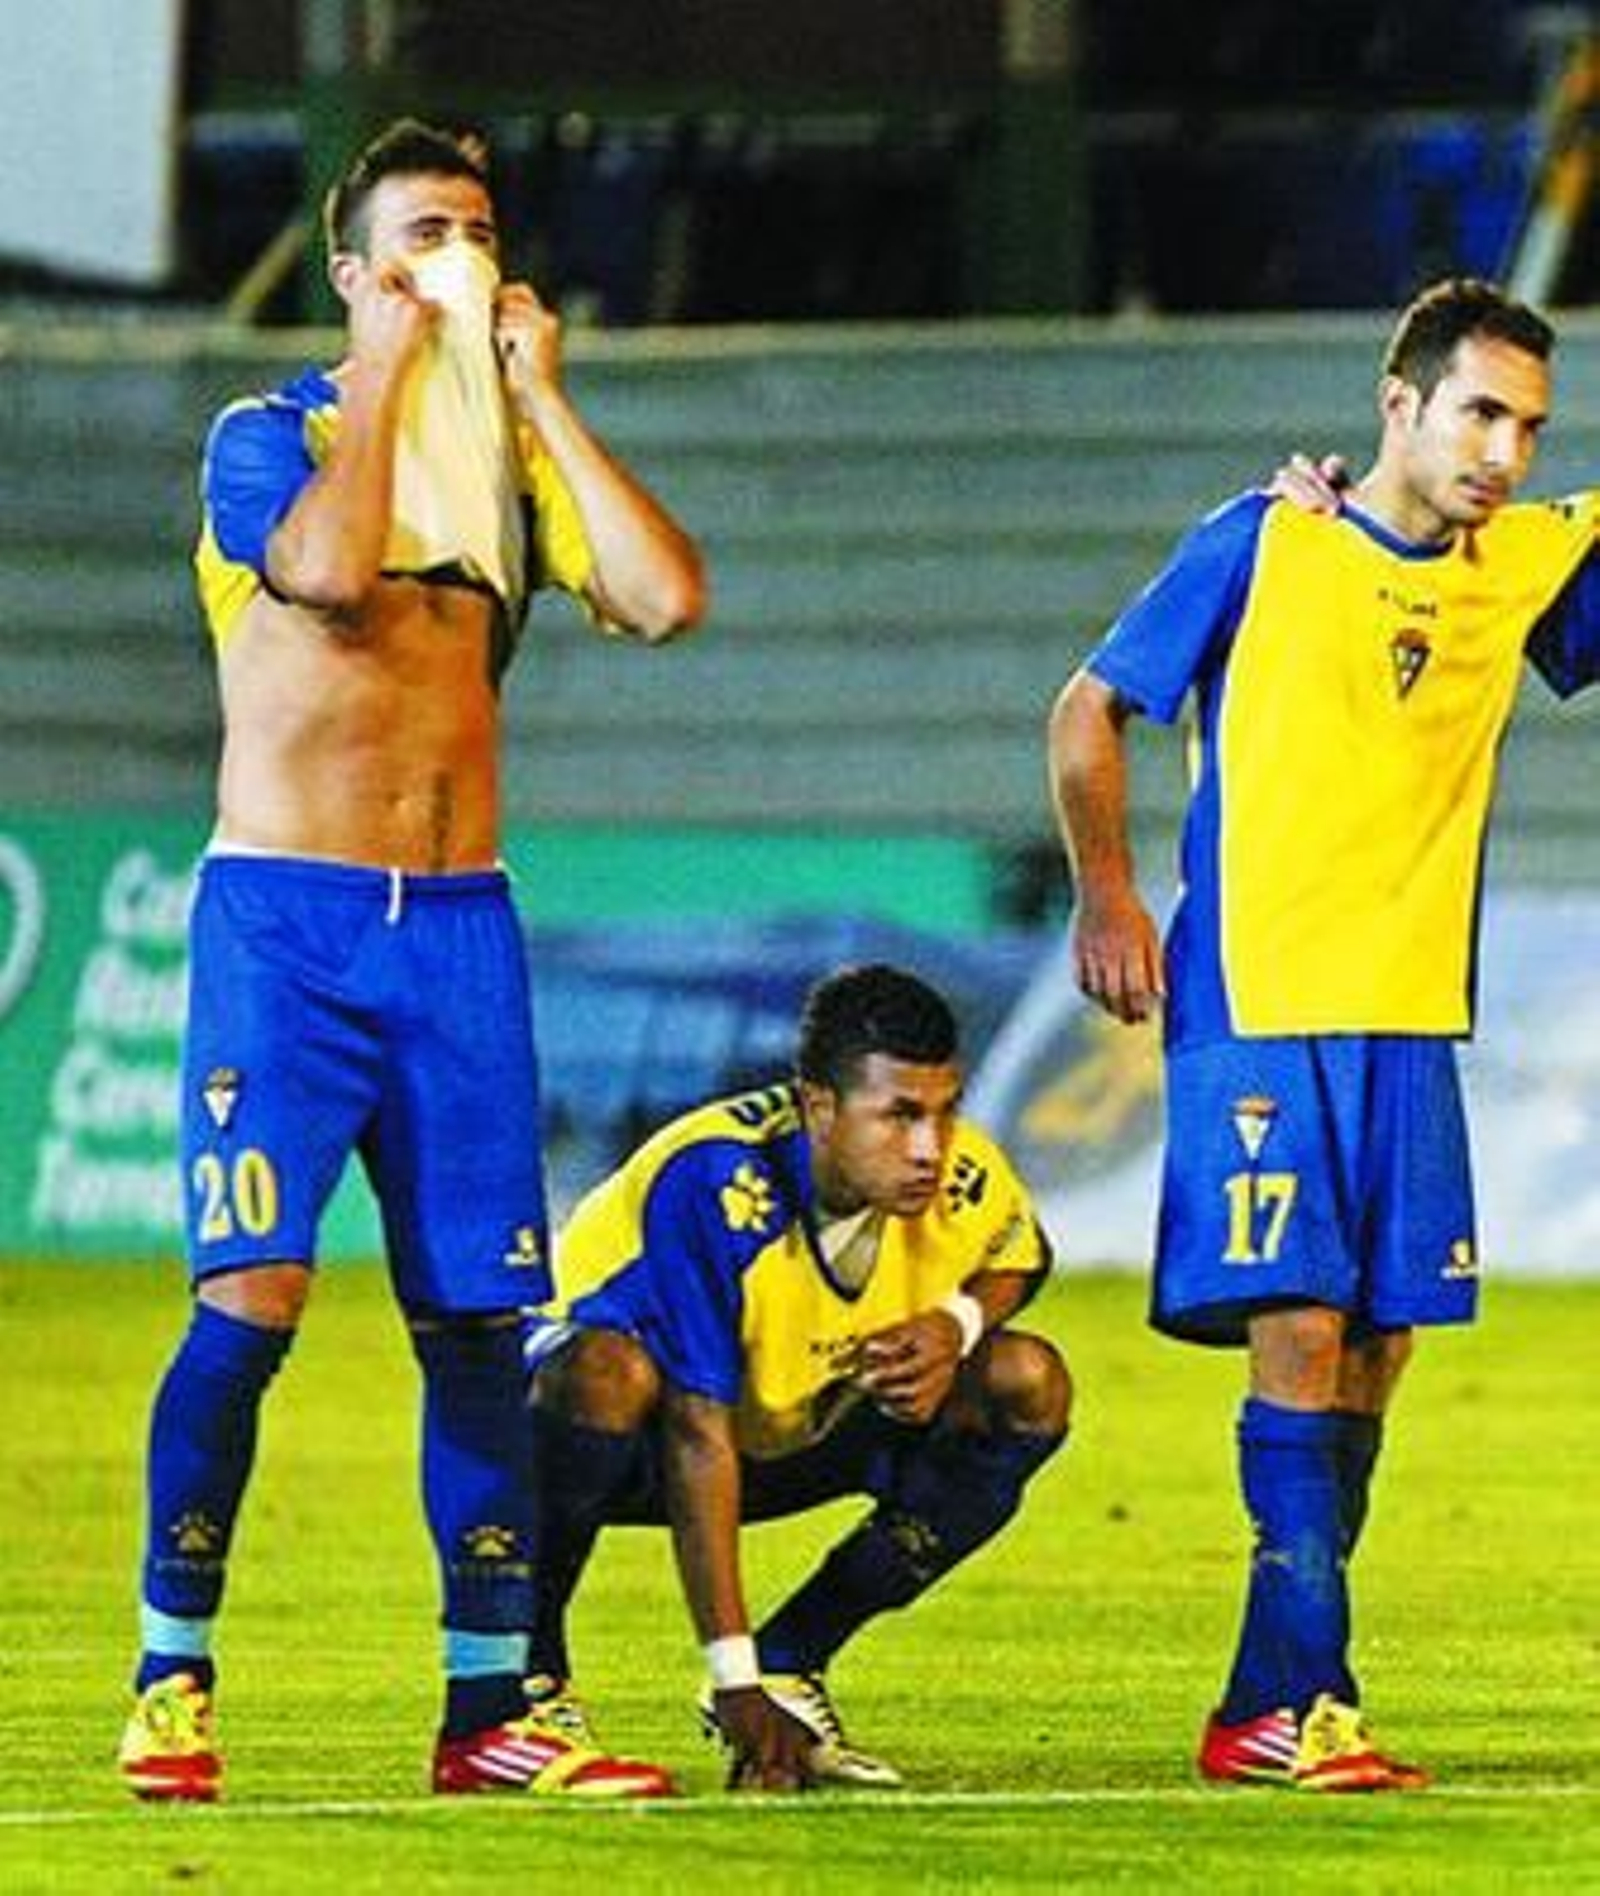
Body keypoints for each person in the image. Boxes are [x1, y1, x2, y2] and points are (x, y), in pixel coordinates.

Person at [117, 117, 707, 1803]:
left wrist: (535, 400)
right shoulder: (272, 433)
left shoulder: (506, 469)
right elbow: (314, 568)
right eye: (428, 232)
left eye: (482, 229)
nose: (465, 255)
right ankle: (173, 1666)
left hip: (456, 933)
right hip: (286, 925)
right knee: (254, 1299)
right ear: (359, 266)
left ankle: (489, 1707)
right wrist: (383, 373)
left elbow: (664, 598)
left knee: (474, 1323)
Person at [1048, 276, 1600, 1792]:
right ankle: (1304, 1697)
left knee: (1379, 1343)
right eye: (1479, 411)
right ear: (1398, 404)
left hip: (1412, 1012)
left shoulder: (1529, 566)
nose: (1504, 451)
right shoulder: (1264, 539)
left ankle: (1270, 1694)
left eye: (1531, 426)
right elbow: (1087, 709)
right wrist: (1108, 900)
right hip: (1260, 996)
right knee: (1297, 1326)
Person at [520, 963, 1072, 1791]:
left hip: (781, 1425)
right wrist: (727, 1674)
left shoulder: (963, 1173)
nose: (929, 1148)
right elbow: (695, 1434)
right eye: (899, 1116)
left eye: (944, 1111)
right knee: (608, 1371)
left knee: (1027, 1380)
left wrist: (953, 1328)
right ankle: (529, 1680)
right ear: (820, 1107)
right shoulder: (711, 1182)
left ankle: (794, 1661)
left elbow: (1022, 1257)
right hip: (607, 1436)